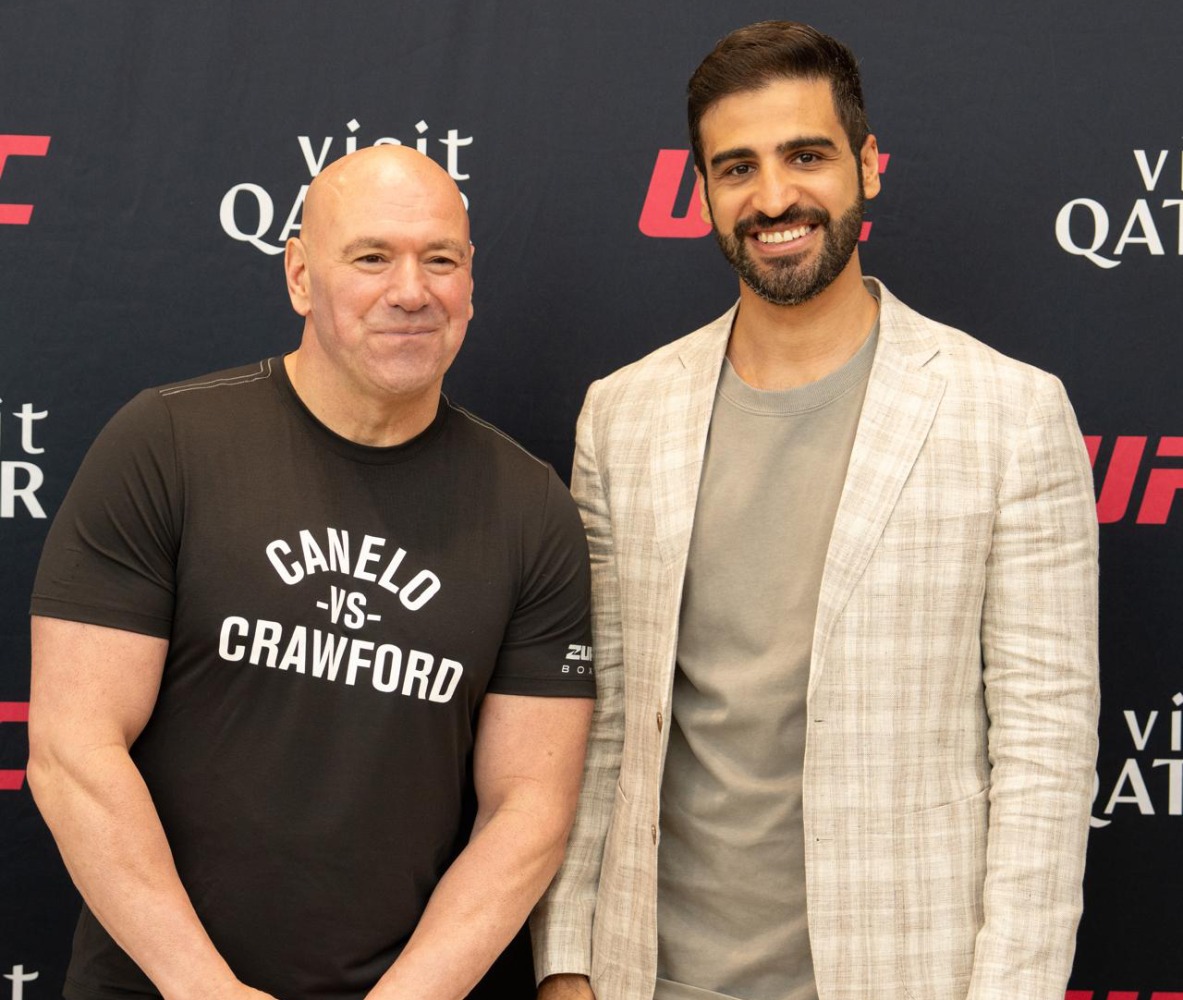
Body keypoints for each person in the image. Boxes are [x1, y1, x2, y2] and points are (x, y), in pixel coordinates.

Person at [530, 20, 1099, 1000]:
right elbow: (605, 719)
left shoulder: (1010, 413)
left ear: (867, 165)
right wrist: (568, 962)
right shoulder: (623, 416)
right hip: (652, 978)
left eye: (805, 156)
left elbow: (1043, 752)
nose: (772, 198)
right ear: (702, 191)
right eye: (737, 168)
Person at [27, 145, 595, 1000]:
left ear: (470, 282)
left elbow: (528, 812)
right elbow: (72, 749)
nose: (411, 291)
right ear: (299, 275)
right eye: (371, 257)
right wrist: (204, 989)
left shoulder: (531, 510)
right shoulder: (166, 445)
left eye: (440, 260)